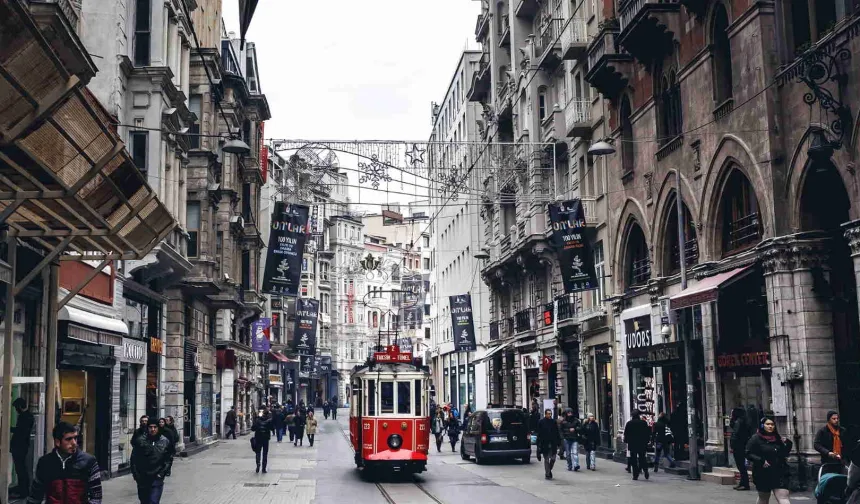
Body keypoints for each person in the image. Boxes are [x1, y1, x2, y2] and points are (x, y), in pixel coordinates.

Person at [27, 422, 103, 504]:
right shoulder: (45, 463)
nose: (74, 443)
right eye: (68, 439)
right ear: (57, 442)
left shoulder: (89, 462)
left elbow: (96, 498)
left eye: (75, 438)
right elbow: (35, 497)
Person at [746, 415, 793, 504]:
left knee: (783, 497)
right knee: (763, 497)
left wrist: (788, 443)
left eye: (772, 424)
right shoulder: (755, 438)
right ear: (762, 425)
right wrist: (761, 460)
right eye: (767, 424)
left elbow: (784, 453)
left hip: (780, 471)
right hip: (763, 472)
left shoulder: (778, 438)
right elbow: (748, 453)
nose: (770, 426)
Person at [131, 418, 170, 504]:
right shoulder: (140, 441)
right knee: (144, 501)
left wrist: (162, 473)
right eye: (150, 427)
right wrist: (136, 475)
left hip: (157, 477)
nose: (153, 429)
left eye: (155, 427)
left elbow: (168, 459)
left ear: (158, 428)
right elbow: (134, 459)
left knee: (153, 501)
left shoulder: (164, 441)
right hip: (143, 478)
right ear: (147, 428)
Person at [10, 398, 35, 498]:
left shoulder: (25, 417)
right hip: (21, 446)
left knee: (21, 470)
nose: (16, 410)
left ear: (20, 407)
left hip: (20, 447)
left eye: (16, 408)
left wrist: (9, 428)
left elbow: (20, 432)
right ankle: (22, 490)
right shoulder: (28, 416)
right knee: (21, 469)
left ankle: (23, 491)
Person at [624, 411, 651, 480]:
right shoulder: (643, 423)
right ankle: (646, 471)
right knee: (642, 458)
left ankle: (635, 475)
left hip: (632, 444)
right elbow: (647, 433)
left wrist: (626, 441)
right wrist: (647, 441)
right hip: (642, 443)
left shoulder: (629, 423)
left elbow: (626, 434)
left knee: (634, 460)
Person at [731, 407, 753, 490]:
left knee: (741, 466)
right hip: (741, 446)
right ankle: (742, 483)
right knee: (741, 466)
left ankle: (745, 484)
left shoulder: (739, 422)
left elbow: (735, 435)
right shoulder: (742, 421)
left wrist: (733, 446)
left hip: (739, 447)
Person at [536, 409, 561, 479]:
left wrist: (559, 442)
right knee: (546, 459)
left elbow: (557, 432)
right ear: (545, 414)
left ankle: (549, 470)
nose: (550, 415)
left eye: (550, 414)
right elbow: (539, 434)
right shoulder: (541, 422)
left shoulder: (553, 422)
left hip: (553, 443)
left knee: (553, 459)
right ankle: (547, 473)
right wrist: (538, 444)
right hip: (545, 443)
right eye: (548, 414)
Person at [252, 409, 272, 473]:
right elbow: (272, 428)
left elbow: (253, 428)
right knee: (265, 453)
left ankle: (258, 465)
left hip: (258, 438)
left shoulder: (257, 420)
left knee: (258, 452)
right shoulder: (269, 421)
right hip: (266, 439)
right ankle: (264, 468)